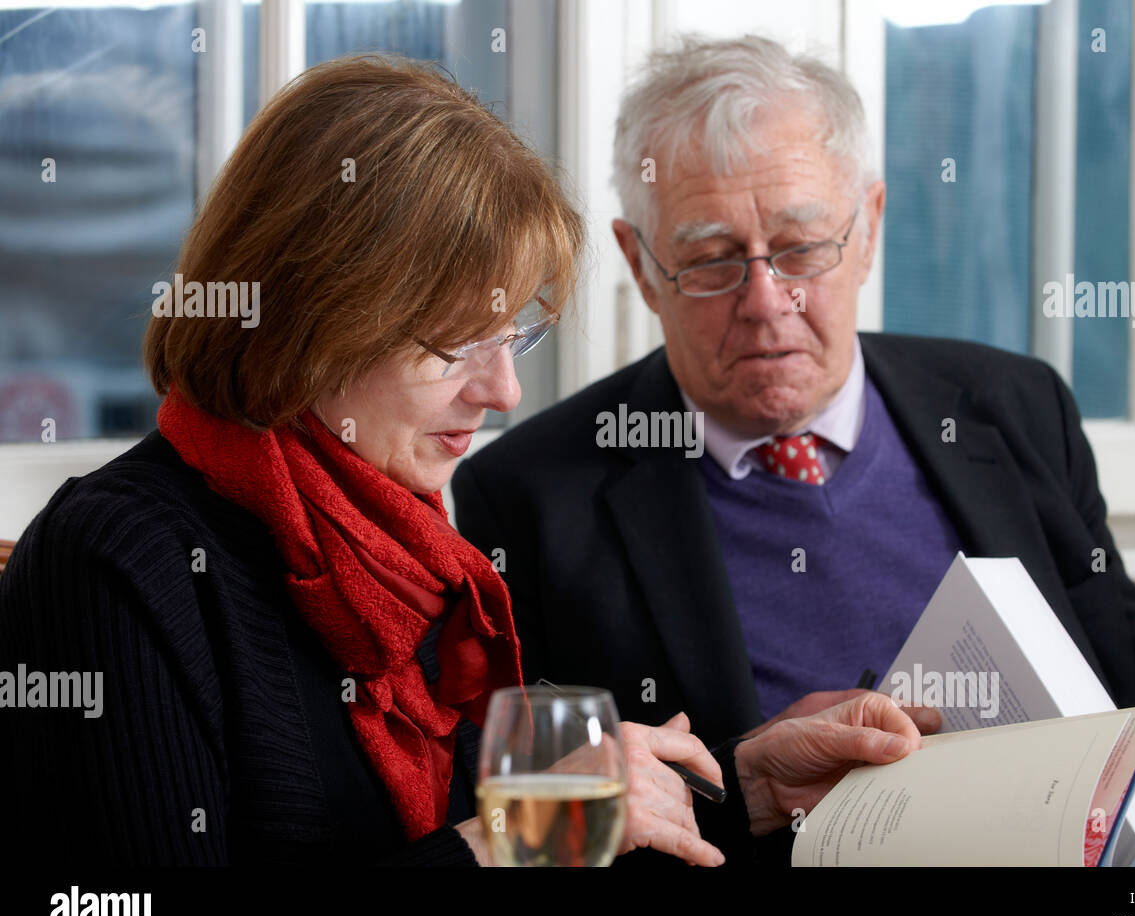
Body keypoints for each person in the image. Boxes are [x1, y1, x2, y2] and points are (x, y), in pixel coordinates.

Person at [0, 54, 936, 867]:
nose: (503, 394)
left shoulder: (410, 547)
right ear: (307, 324)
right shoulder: (114, 559)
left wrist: (749, 785)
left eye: (513, 335)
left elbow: (569, 841)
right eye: (452, 345)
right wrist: (513, 839)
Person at [451, 34, 1135, 843]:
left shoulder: (1014, 409)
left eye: (802, 248)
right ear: (640, 264)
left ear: (870, 228)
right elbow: (544, 832)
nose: (767, 301)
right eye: (710, 260)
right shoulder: (531, 493)